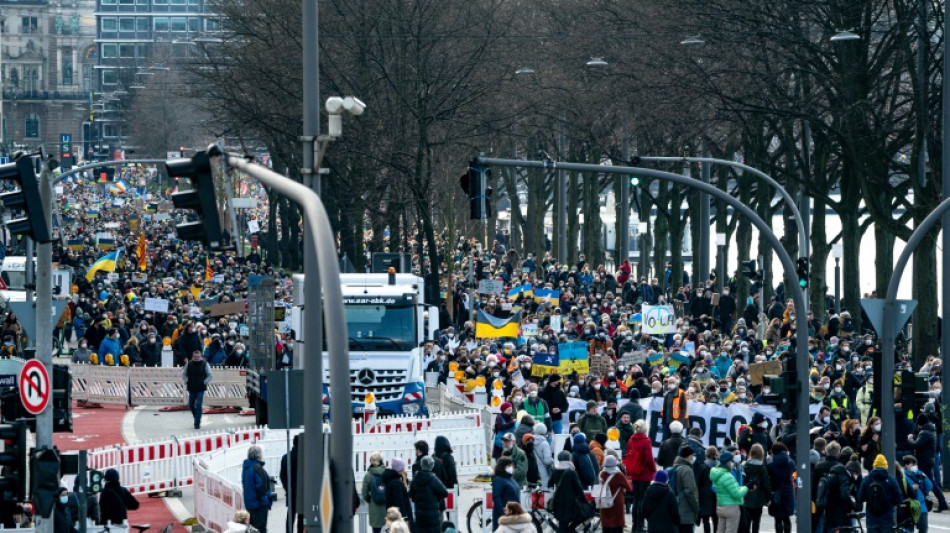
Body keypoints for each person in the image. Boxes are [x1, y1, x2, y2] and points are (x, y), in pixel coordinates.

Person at [548, 451, 594, 533]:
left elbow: (549, 484)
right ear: (569, 459)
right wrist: (584, 500)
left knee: (562, 523)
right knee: (587, 513)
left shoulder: (555, 470)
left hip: (558, 502)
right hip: (571, 502)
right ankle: (571, 529)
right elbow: (579, 488)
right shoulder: (572, 472)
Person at [625, 419, 657, 532]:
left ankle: (635, 524)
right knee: (642, 500)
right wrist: (654, 469)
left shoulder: (631, 440)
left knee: (636, 499)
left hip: (634, 472)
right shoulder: (646, 441)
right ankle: (640, 524)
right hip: (644, 473)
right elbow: (649, 458)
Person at [857, 455, 901, 533]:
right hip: (887, 519)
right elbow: (899, 498)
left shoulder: (867, 479)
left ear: (874, 466)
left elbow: (860, 497)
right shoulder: (891, 480)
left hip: (871, 519)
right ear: (885, 466)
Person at [711, 451, 748, 533]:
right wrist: (747, 487)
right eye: (731, 461)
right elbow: (737, 493)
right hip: (731, 506)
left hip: (720, 505)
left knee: (720, 530)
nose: (733, 463)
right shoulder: (728, 476)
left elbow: (714, 487)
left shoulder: (717, 473)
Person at [409, 456, 448, 533]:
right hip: (433, 519)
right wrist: (437, 499)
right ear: (432, 466)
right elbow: (444, 492)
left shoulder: (415, 479)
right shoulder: (433, 479)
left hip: (420, 518)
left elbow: (411, 494)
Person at [242, 445, 273, 533]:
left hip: (250, 505)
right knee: (260, 529)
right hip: (259, 506)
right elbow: (262, 488)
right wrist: (266, 503)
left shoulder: (246, 468)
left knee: (252, 529)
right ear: (259, 456)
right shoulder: (258, 469)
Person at [598, 455, 632, 533]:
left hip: (604, 502)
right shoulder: (618, 475)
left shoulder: (601, 474)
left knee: (606, 524)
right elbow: (629, 488)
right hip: (616, 503)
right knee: (617, 526)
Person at [670, 446, 701, 533]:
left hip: (675, 507)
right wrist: (696, 508)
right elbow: (690, 491)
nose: (693, 457)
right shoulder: (686, 470)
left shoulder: (675, 467)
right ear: (689, 456)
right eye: (692, 455)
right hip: (685, 510)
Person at [767, 443, 796, 533]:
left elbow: (769, 478)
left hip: (776, 491)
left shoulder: (771, 464)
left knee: (778, 518)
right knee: (787, 518)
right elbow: (795, 474)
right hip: (788, 491)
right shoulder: (790, 462)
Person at [741, 444, 770, 533]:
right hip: (758, 497)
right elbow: (766, 483)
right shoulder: (762, 467)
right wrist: (768, 497)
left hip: (746, 495)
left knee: (747, 522)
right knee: (756, 521)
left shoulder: (745, 465)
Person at [899, 455, 932, 533]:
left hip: (921, 506)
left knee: (923, 528)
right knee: (908, 529)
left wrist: (925, 478)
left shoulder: (919, 474)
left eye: (915, 464)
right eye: (912, 464)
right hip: (909, 506)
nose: (914, 467)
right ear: (906, 465)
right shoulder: (903, 476)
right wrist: (911, 488)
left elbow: (929, 487)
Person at [182, 349, 212, 429]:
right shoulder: (189, 364)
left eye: (198, 356)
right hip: (191, 387)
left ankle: (197, 423)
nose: (196, 358)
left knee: (199, 405)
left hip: (200, 388)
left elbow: (210, 375)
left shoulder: (205, 364)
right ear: (192, 356)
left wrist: (204, 382)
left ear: (200, 356)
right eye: (195, 357)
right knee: (191, 405)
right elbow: (184, 374)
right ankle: (197, 417)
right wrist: (187, 381)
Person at [360, 451, 387, 533]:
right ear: (381, 460)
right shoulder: (386, 472)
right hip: (386, 507)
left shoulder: (368, 475)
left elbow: (364, 493)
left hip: (374, 507)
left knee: (376, 530)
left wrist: (371, 500)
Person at [279, 435, 301, 533]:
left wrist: (287, 488)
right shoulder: (305, 457)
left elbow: (282, 475)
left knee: (290, 515)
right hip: (303, 493)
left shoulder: (286, 457)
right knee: (302, 516)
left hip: (291, 492)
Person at [491, 457, 520, 531]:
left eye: (511, 465)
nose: (511, 467)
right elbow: (496, 498)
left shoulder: (510, 478)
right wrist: (503, 515)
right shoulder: (498, 480)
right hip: (505, 517)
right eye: (508, 466)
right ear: (503, 467)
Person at [383, 458, 413, 527]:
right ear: (400, 469)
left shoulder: (392, 480)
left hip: (393, 515)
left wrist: (405, 480)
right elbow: (400, 501)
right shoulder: (396, 483)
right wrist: (405, 517)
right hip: (399, 517)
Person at [698, 446, 719, 533]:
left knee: (705, 520)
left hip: (705, 495)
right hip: (717, 494)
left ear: (707, 455)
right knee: (716, 519)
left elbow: (699, 482)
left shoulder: (703, 467)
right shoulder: (719, 466)